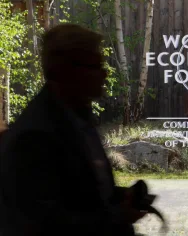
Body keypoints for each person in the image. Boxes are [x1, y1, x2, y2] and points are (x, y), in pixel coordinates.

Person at [0, 24, 146, 236]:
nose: (105, 73)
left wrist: (121, 197)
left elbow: (83, 193)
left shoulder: (77, 116)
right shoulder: (35, 137)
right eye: (95, 66)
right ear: (65, 70)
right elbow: (45, 225)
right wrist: (117, 218)